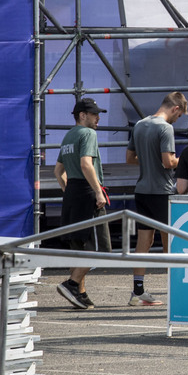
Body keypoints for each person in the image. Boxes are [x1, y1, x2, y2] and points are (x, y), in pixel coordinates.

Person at [125, 91, 187, 306]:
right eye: (178, 117)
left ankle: (138, 291)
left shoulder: (140, 125)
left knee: (143, 241)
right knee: (168, 240)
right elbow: (169, 162)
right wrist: (184, 160)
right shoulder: (165, 128)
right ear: (175, 109)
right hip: (163, 191)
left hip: (142, 190)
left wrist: (149, 160)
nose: (176, 121)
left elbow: (129, 158)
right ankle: (176, 291)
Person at [53, 98, 108, 309]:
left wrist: (68, 189)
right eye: (94, 114)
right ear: (82, 115)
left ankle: (80, 294)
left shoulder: (68, 136)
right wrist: (97, 192)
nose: (98, 118)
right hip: (87, 192)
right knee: (101, 248)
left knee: (78, 247)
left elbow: (58, 171)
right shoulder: (88, 134)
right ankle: (72, 284)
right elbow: (86, 164)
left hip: (73, 192)